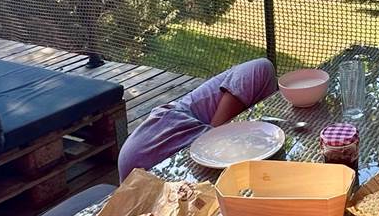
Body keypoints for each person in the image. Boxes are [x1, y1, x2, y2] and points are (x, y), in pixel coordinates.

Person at [117, 58, 278, 179]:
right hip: (164, 135)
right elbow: (215, 142)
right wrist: (215, 137)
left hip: (147, 157)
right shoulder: (264, 73)